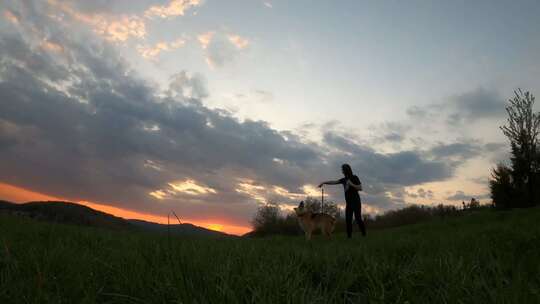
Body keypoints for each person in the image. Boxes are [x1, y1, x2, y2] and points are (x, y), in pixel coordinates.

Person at [318, 164, 366, 238]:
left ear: (346, 170)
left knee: (358, 219)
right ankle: (349, 237)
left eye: (342, 170)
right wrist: (324, 182)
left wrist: (351, 184)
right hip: (349, 203)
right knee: (348, 220)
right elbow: (333, 182)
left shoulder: (354, 177)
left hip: (356, 202)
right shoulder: (344, 180)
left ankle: (364, 234)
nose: (342, 171)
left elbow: (360, 188)